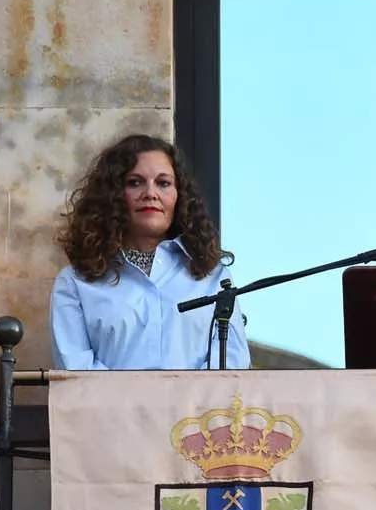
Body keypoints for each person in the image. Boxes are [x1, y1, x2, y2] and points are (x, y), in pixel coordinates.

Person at [51, 135, 249, 371]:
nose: (150, 193)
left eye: (163, 183)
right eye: (135, 182)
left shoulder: (214, 278)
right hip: (109, 408)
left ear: (180, 196)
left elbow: (232, 364)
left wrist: (179, 402)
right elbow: (76, 370)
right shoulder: (75, 283)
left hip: (196, 409)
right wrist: (141, 404)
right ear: (112, 196)